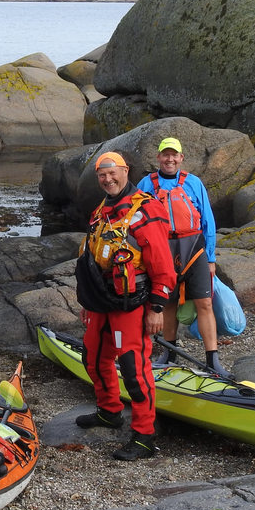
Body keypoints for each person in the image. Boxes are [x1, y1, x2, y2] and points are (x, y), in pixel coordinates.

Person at [74, 151, 175, 461]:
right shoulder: (100, 212)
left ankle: (145, 436)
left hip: (132, 304)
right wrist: (87, 303)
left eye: (112, 172)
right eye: (102, 175)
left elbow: (164, 266)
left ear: (125, 171)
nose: (108, 179)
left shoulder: (146, 210)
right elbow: (91, 259)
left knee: (133, 369)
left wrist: (157, 308)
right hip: (101, 302)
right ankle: (109, 411)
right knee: (93, 357)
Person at [136, 137, 230, 378]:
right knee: (167, 303)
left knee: (205, 303)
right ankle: (169, 354)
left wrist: (210, 258)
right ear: (158, 157)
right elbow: (136, 220)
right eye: (165, 154)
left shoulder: (194, 183)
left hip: (194, 248)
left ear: (181, 158)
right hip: (163, 249)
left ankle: (212, 360)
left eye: (174, 155)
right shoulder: (146, 184)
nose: (169, 159)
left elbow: (208, 220)